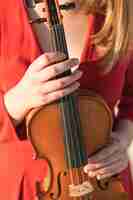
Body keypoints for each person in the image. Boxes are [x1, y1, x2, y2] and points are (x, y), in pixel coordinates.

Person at [0, 0, 133, 199]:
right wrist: (17, 101)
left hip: (106, 187)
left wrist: (122, 140)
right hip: (26, 189)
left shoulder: (119, 10)